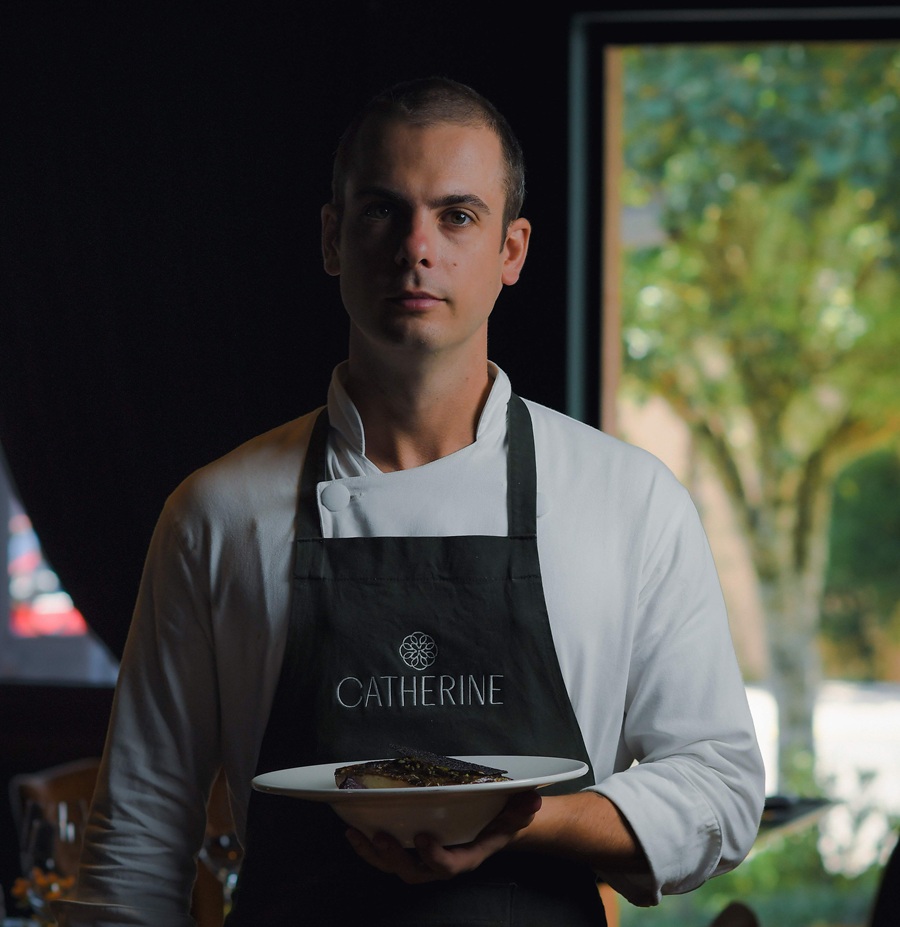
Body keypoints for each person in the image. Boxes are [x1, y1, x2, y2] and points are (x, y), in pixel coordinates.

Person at [53, 76, 765, 926]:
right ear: (332, 237)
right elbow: (135, 838)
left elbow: (719, 789)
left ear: (512, 249)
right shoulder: (216, 513)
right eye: (383, 212)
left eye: (457, 215)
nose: (416, 248)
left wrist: (535, 819)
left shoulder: (628, 500)